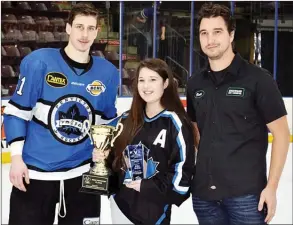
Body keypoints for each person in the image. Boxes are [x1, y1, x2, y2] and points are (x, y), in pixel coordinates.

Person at [3, 3, 119, 225]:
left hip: (82, 175)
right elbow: (16, 113)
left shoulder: (107, 73)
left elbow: (107, 121)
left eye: (90, 28)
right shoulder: (40, 62)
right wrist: (16, 159)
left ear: (97, 32)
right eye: (79, 27)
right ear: (68, 28)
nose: (84, 34)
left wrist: (104, 151)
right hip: (36, 174)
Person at [187, 3, 290, 225]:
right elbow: (196, 131)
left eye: (217, 32)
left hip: (246, 197)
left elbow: (282, 135)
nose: (210, 39)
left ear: (231, 35)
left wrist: (271, 188)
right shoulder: (195, 84)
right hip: (205, 197)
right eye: (204, 33)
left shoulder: (258, 80)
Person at [93, 58, 196, 224]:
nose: (146, 86)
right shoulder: (124, 121)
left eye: (153, 79)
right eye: (141, 80)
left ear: (165, 83)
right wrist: (101, 158)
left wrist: (147, 186)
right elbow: (111, 162)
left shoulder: (175, 122)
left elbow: (183, 174)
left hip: (154, 211)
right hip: (120, 207)